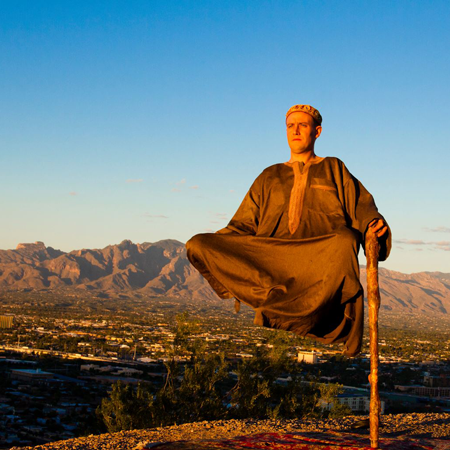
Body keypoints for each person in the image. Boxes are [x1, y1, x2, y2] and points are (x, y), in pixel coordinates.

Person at [186, 104, 391, 356]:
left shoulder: (334, 168)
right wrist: (221, 247)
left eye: (302, 125)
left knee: (346, 238)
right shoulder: (269, 175)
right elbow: (243, 224)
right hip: (273, 259)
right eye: (290, 126)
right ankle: (273, 296)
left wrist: (373, 222)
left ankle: (317, 310)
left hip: (318, 257)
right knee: (198, 243)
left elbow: (361, 206)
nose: (295, 131)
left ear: (317, 132)